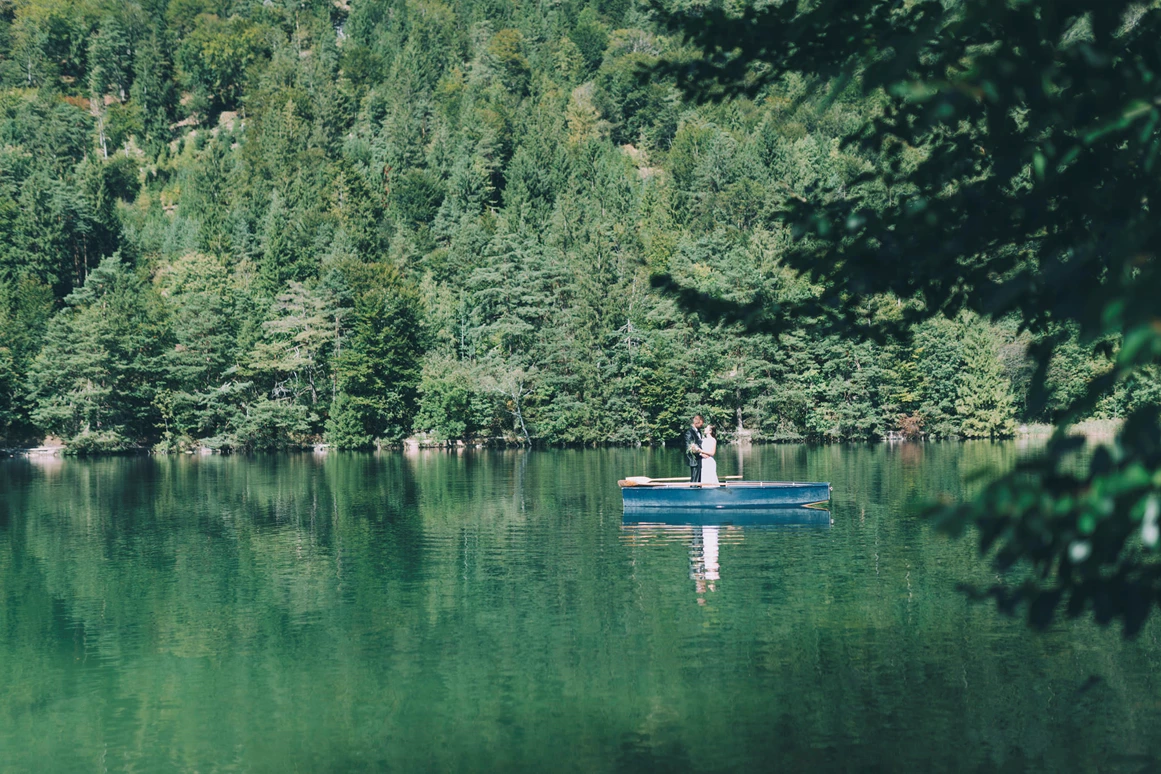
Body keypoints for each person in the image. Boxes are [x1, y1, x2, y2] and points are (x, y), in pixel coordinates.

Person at [683, 415, 704, 483]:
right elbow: (689, 446)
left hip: (700, 457)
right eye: (701, 424)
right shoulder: (689, 432)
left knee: (699, 477)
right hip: (694, 459)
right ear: (696, 423)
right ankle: (694, 488)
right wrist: (698, 451)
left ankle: (698, 487)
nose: (702, 425)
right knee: (695, 477)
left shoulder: (699, 431)